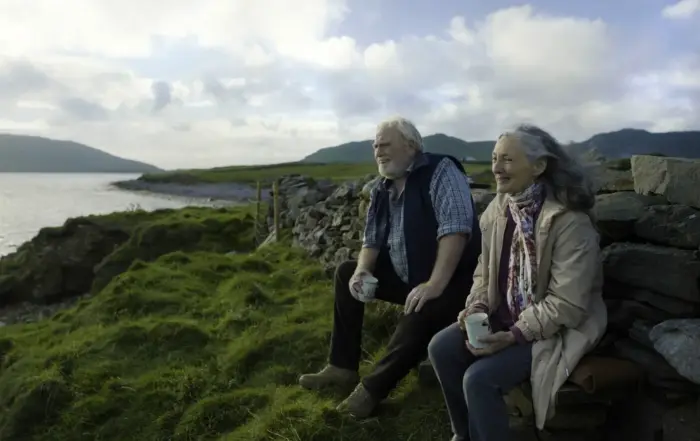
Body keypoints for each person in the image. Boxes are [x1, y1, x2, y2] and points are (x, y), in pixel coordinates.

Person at [427, 124, 607, 441]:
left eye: (508, 160)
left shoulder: (569, 223)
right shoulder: (499, 210)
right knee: (440, 348)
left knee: (479, 380)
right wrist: (478, 304)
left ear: (539, 166)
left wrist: (513, 335)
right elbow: (485, 270)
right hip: (505, 314)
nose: (496, 168)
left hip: (553, 330)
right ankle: (464, 434)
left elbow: (568, 305)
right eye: (495, 158)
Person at [298, 116, 482, 418]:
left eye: (385, 144)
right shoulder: (382, 189)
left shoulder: (440, 171)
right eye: (375, 146)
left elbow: (456, 229)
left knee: (421, 308)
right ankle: (342, 367)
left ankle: (371, 390)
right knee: (346, 272)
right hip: (413, 277)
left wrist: (434, 284)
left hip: (456, 284)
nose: (378, 151)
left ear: (410, 146)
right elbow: (371, 239)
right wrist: (362, 271)